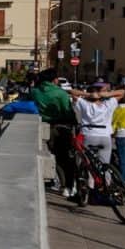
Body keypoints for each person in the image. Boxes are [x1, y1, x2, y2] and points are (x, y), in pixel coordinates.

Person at [32, 68, 78, 197]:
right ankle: (69, 185)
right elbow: (68, 112)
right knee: (67, 158)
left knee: (53, 156)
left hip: (45, 127)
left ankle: (59, 182)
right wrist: (74, 123)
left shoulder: (35, 92)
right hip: (62, 127)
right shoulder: (60, 93)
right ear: (53, 79)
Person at [73, 79, 124, 166]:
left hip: (89, 135)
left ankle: (89, 178)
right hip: (105, 136)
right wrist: (106, 94)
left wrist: (89, 94)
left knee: (87, 163)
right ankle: (106, 178)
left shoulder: (84, 103)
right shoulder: (109, 103)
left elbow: (72, 92)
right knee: (105, 164)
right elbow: (122, 92)